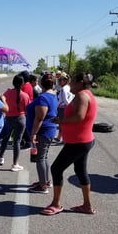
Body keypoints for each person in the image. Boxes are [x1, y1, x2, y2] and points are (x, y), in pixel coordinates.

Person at [41, 73, 98, 215]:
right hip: (83, 140)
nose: (70, 84)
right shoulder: (86, 94)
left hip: (78, 142)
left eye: (72, 82)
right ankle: (87, 206)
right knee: (80, 171)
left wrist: (61, 121)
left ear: (80, 83)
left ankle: (56, 204)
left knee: (56, 169)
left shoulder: (82, 96)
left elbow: (79, 116)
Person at [25, 73, 58, 194]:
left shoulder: (43, 98)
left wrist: (33, 133)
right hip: (49, 131)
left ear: (41, 83)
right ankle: (45, 181)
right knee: (44, 157)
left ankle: (42, 185)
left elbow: (39, 118)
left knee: (40, 158)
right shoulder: (52, 95)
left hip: (43, 132)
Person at [0, 75, 29, 171]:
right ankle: (15, 164)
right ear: (22, 84)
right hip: (20, 119)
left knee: (5, 139)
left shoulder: (8, 92)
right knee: (17, 141)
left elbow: (2, 100)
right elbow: (27, 110)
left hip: (8, 118)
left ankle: (1, 158)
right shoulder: (25, 96)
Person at [54, 72, 74, 143]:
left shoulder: (63, 89)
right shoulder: (68, 87)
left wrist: (68, 106)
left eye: (62, 79)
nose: (60, 81)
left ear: (66, 80)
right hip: (65, 107)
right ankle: (60, 137)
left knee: (62, 124)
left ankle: (64, 138)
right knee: (62, 124)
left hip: (62, 108)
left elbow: (65, 100)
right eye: (60, 79)